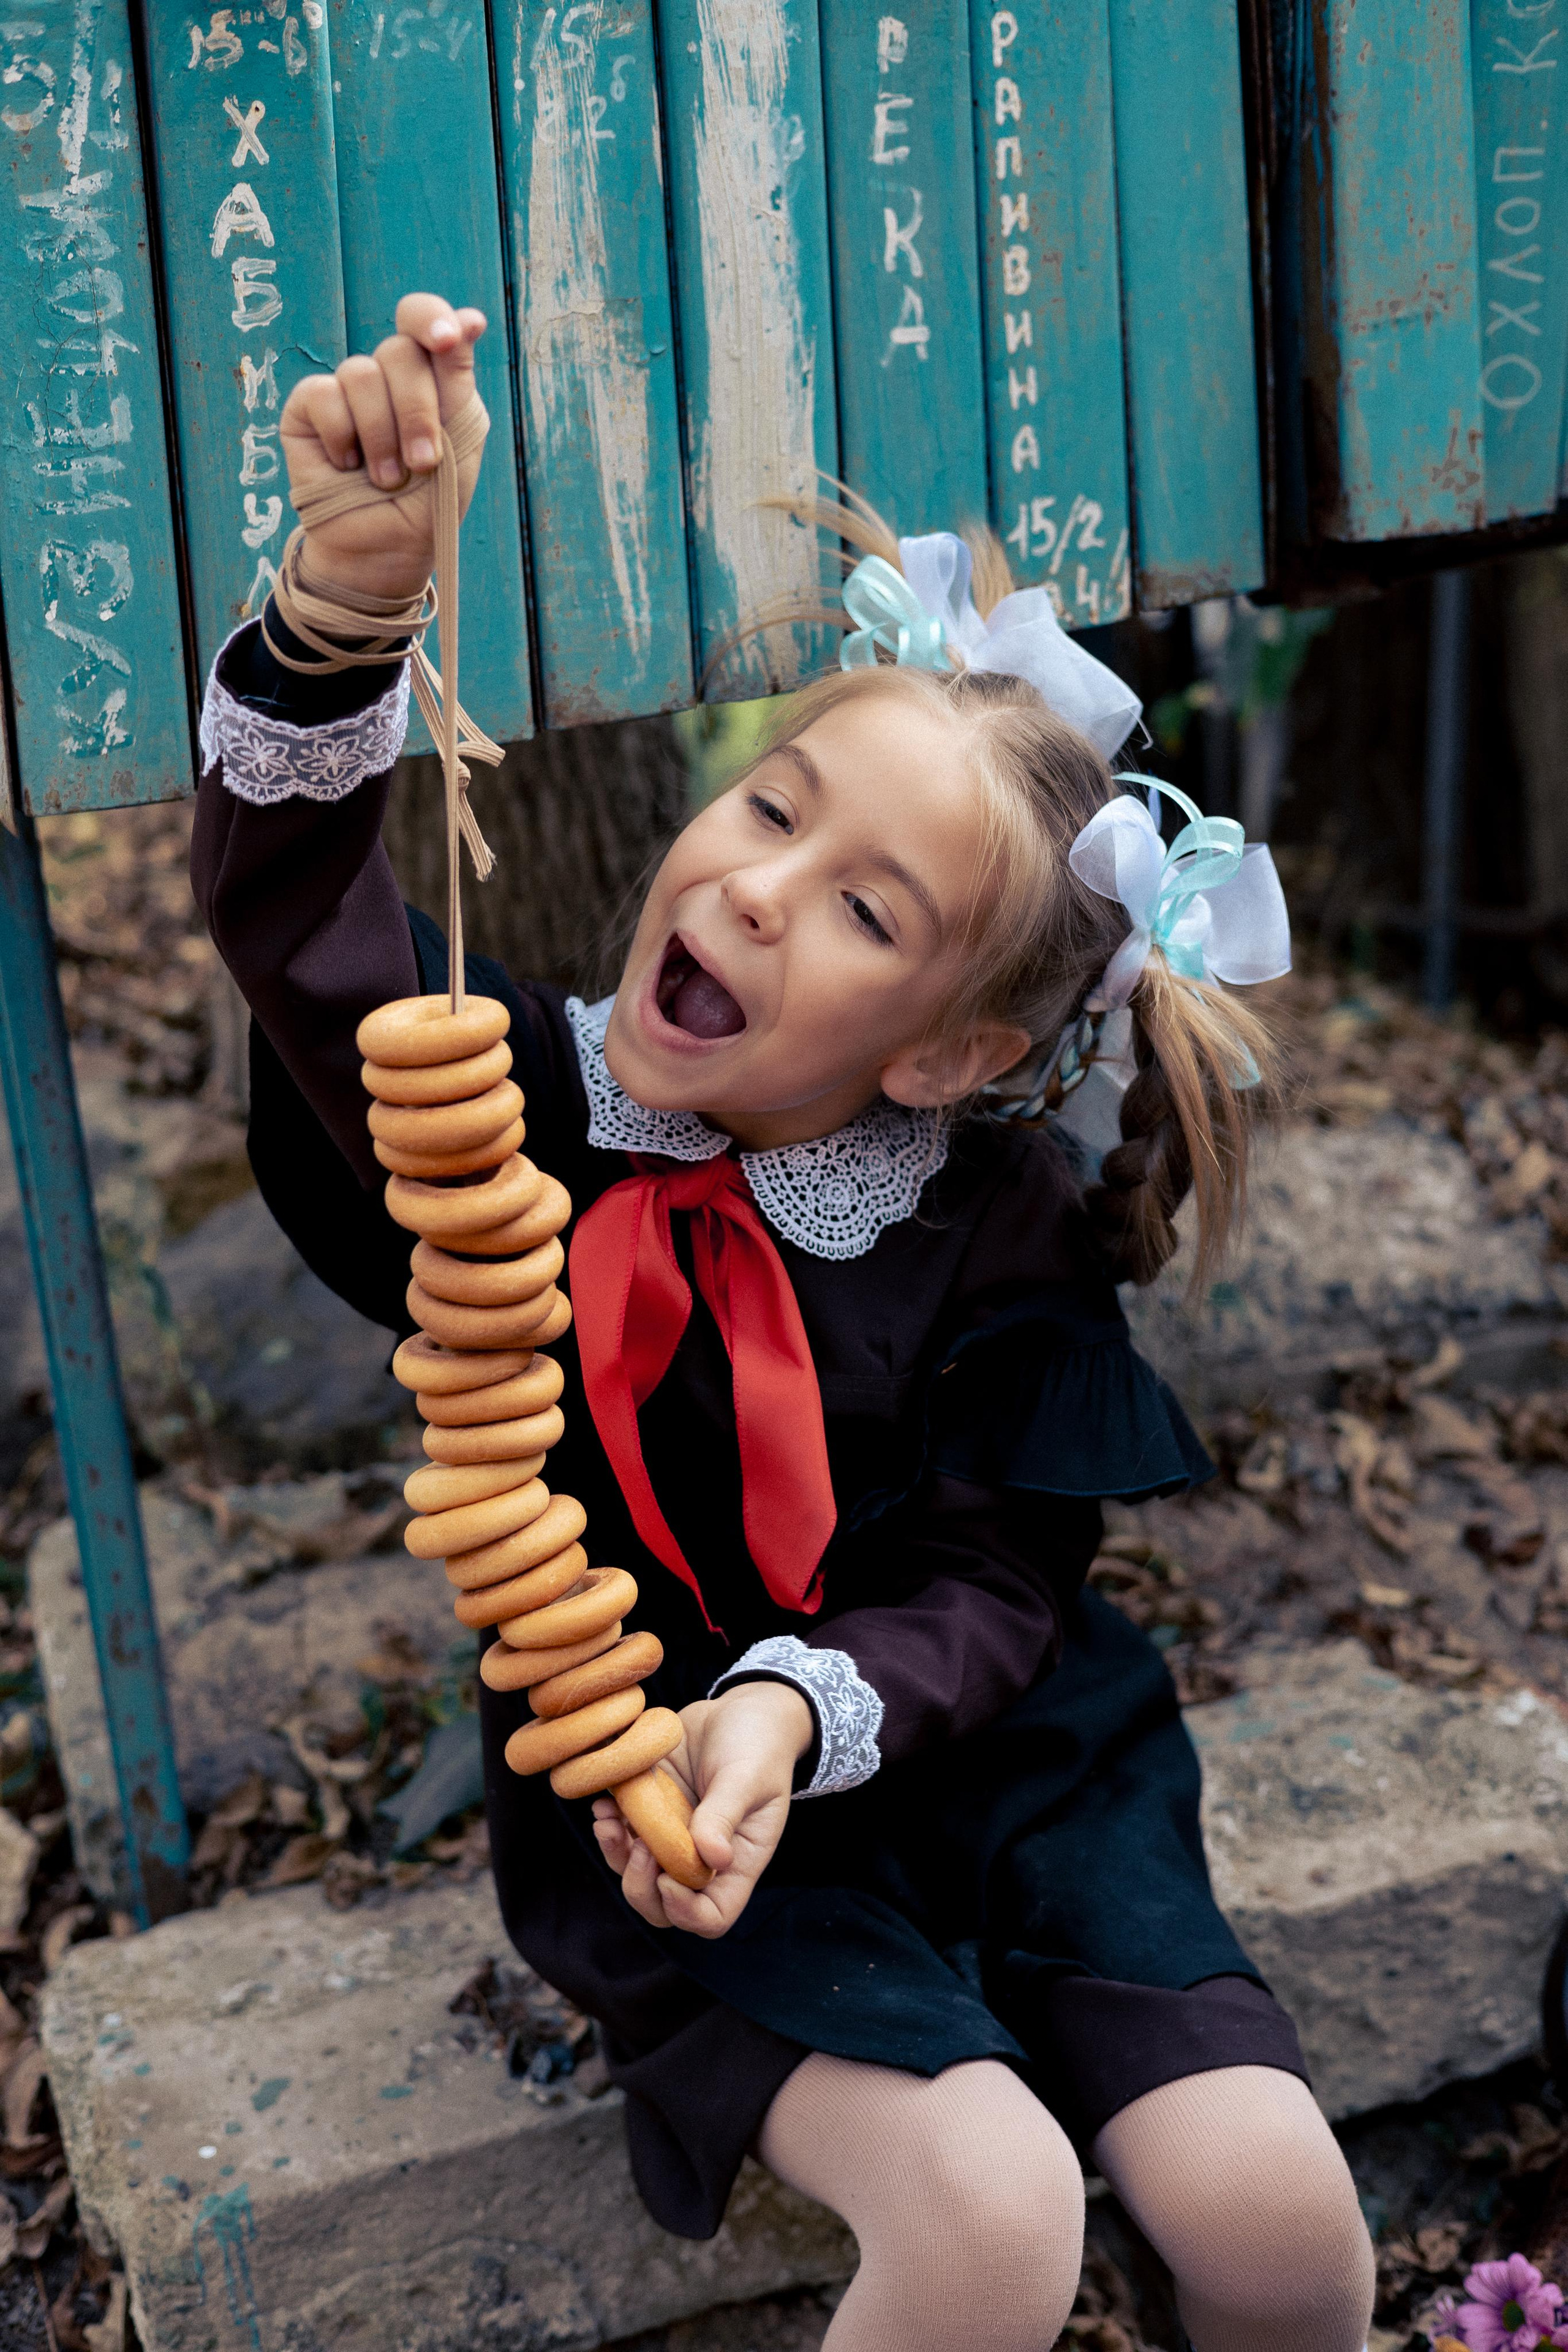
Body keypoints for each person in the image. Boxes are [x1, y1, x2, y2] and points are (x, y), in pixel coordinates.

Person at [191, 293, 1376, 2352]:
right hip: (671, 1795)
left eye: (864, 908)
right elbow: (301, 930)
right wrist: (346, 612)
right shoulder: (515, 1112)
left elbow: (999, 1586)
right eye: (771, 808)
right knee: (991, 2214)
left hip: (1004, 1766)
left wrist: (813, 1705)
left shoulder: (996, 1226)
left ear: (947, 1054)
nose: (757, 886)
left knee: (1278, 2223)